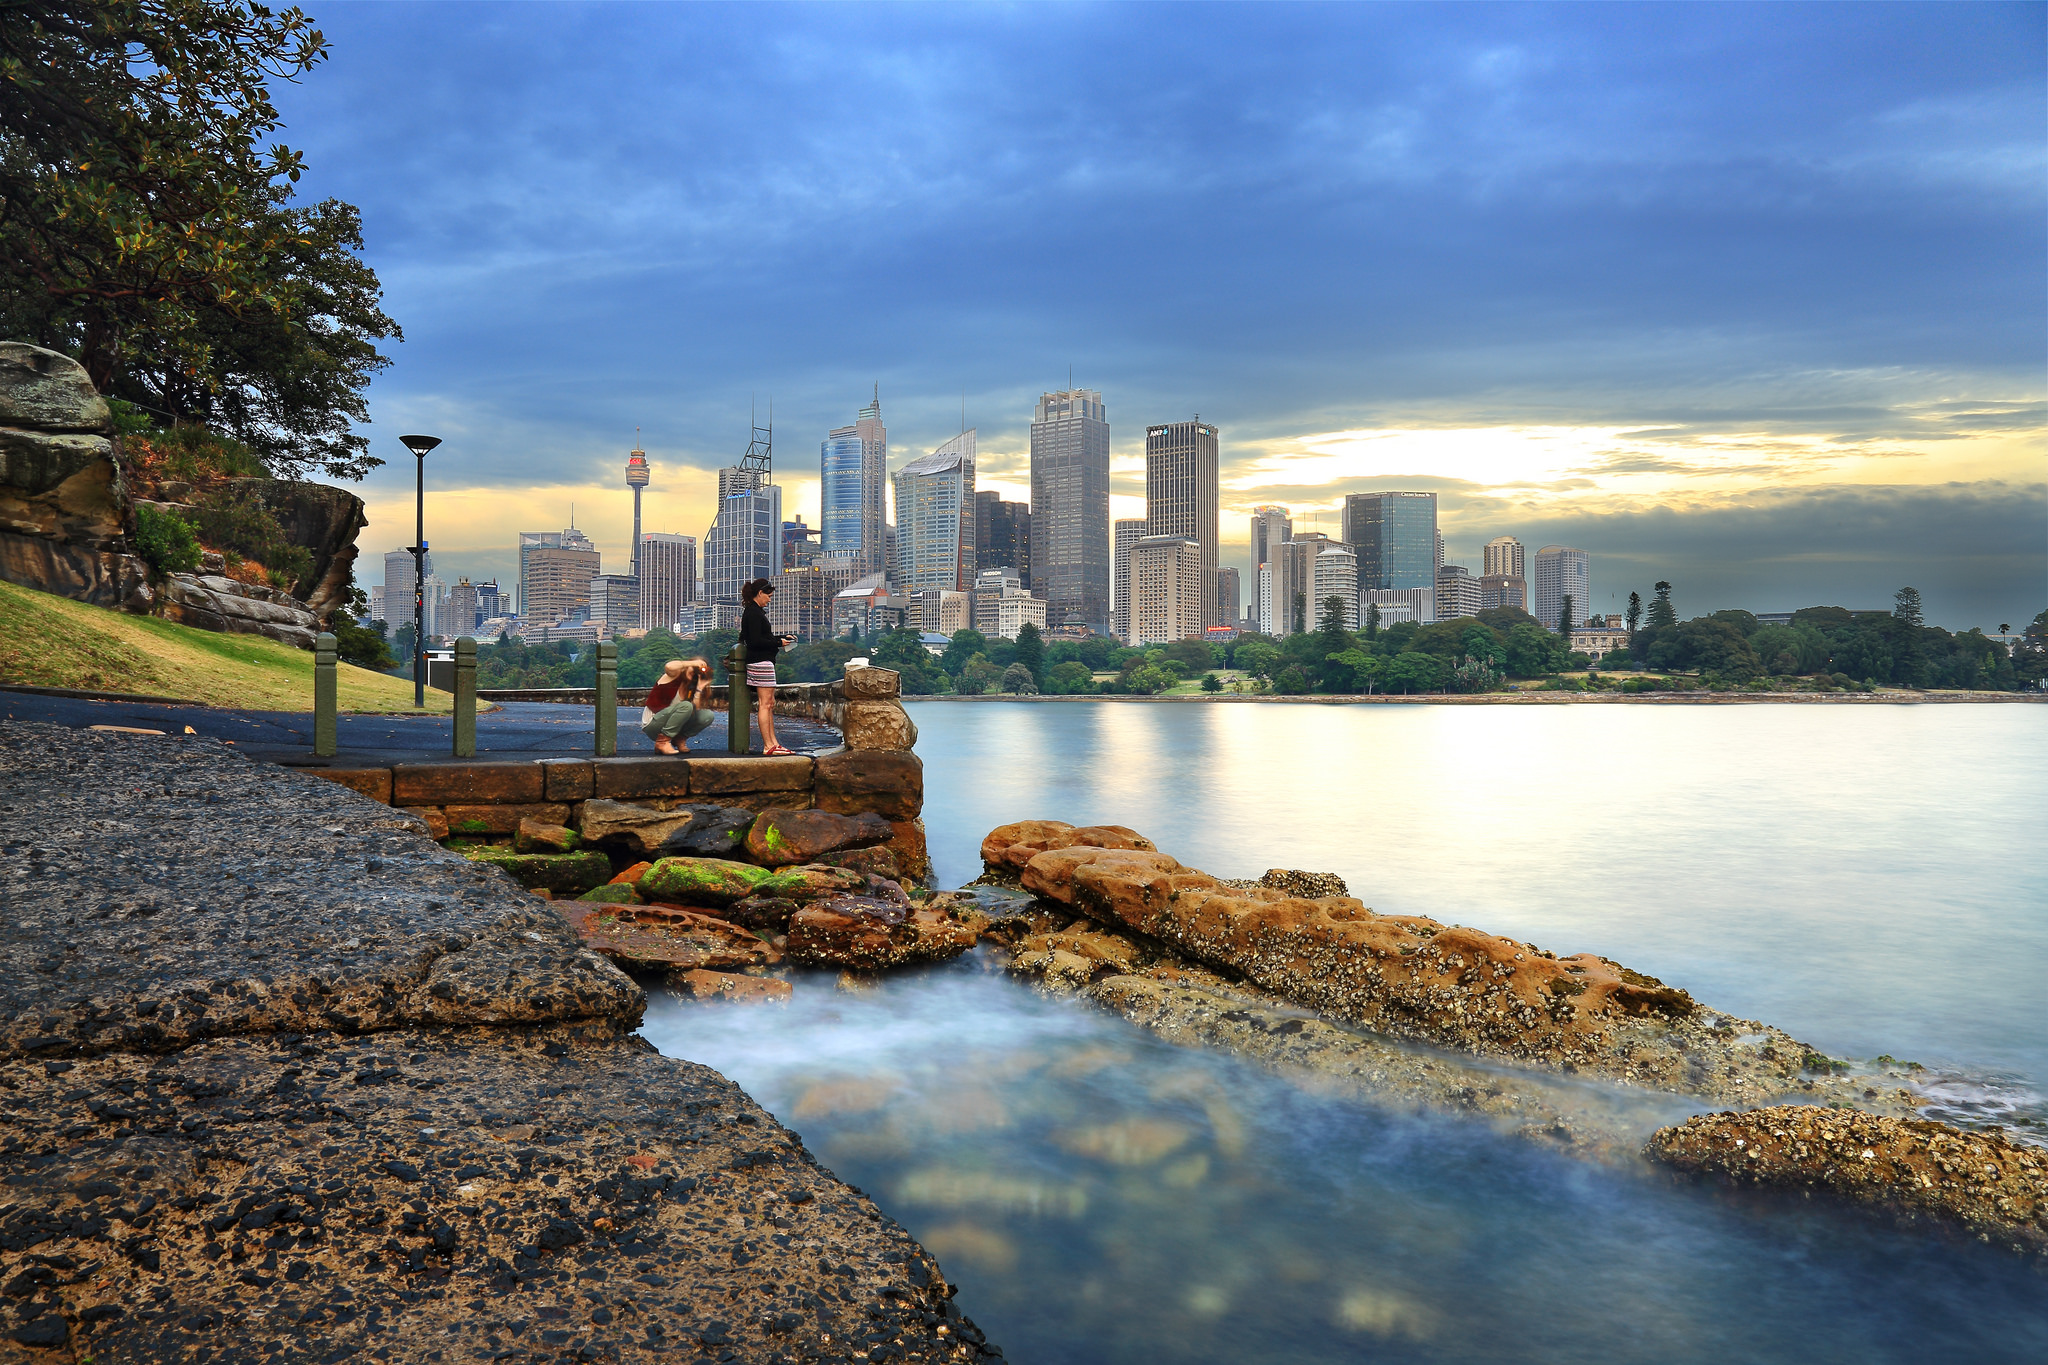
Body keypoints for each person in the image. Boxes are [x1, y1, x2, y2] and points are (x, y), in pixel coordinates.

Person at [740, 578, 797, 756]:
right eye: (768, 596)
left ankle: (773, 743)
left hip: (764, 661)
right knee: (765, 704)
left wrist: (781, 638)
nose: (769, 599)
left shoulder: (756, 612)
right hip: (760, 662)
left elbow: (762, 637)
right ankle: (768, 745)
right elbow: (755, 641)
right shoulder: (753, 613)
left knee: (770, 703)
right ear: (760, 593)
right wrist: (778, 642)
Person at [641, 658, 715, 755]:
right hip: (653, 723)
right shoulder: (673, 676)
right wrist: (693, 663)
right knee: (686, 706)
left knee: (707, 715)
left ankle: (679, 739)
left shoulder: (690, 689)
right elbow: (669, 666)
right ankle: (662, 742)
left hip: (672, 727)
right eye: (694, 668)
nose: (695, 671)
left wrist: (699, 688)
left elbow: (693, 714)